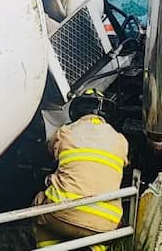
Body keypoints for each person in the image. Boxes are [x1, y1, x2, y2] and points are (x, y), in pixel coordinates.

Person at [32, 89, 129, 250]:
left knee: (38, 205)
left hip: (63, 216)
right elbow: (123, 163)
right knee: (100, 235)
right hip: (106, 223)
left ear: (76, 110)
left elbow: (49, 151)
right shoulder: (120, 140)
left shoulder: (66, 132)